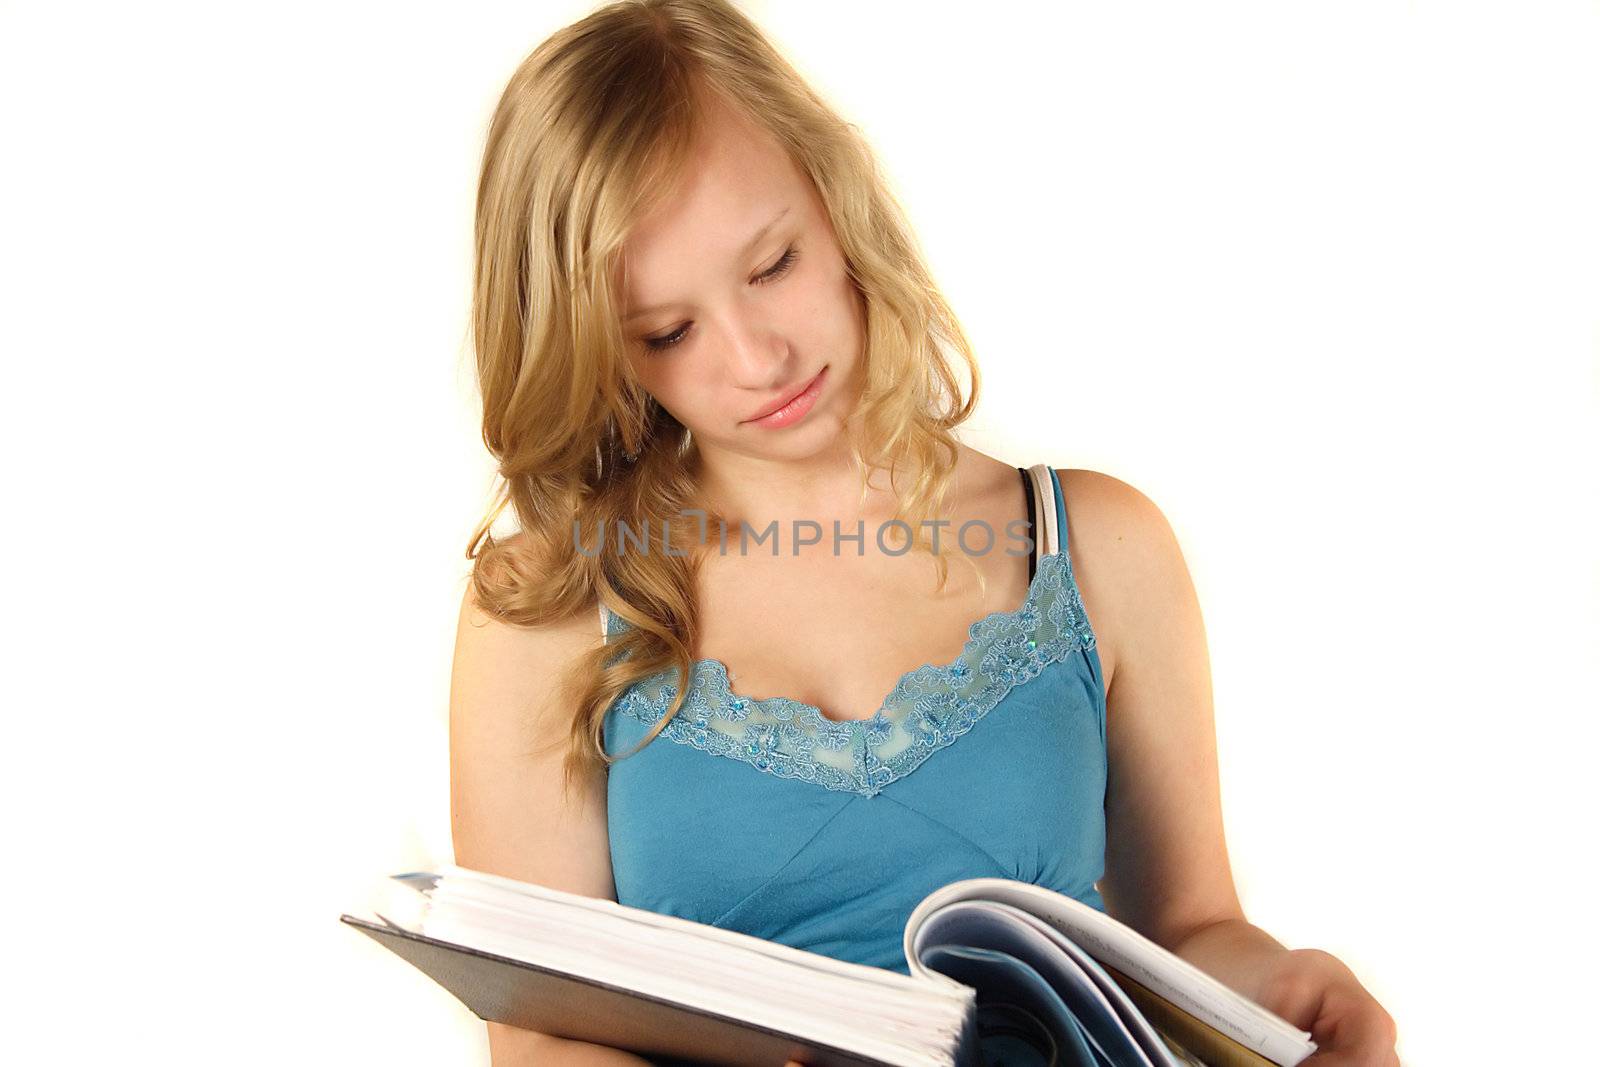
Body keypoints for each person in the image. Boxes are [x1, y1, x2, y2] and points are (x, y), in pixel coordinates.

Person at [447, 2, 1400, 1065]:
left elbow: (1186, 933)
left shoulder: (1100, 549)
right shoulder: (546, 609)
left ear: (833, 193)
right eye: (667, 331)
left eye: (772, 265)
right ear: (599, 348)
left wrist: (1282, 989)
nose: (756, 357)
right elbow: (537, 1034)